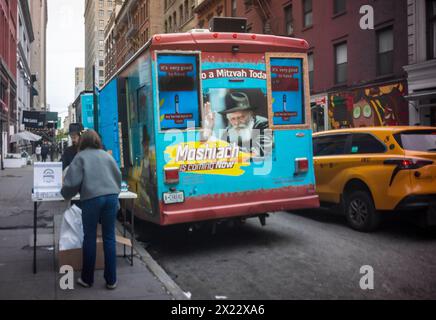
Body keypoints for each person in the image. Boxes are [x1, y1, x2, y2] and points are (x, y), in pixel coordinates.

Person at [61, 130, 122, 289]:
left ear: (83, 142)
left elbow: (71, 183)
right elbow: (118, 176)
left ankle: (87, 279)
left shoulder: (80, 157)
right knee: (109, 237)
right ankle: (111, 280)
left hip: (92, 199)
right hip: (111, 198)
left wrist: (65, 194)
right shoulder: (107, 155)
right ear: (96, 141)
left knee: (89, 237)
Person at [203, 91, 272, 157]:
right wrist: (208, 130)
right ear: (228, 119)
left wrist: (225, 148)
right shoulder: (228, 132)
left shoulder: (263, 124)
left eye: (241, 117)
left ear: (251, 114)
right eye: (233, 119)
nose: (237, 122)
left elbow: (260, 151)